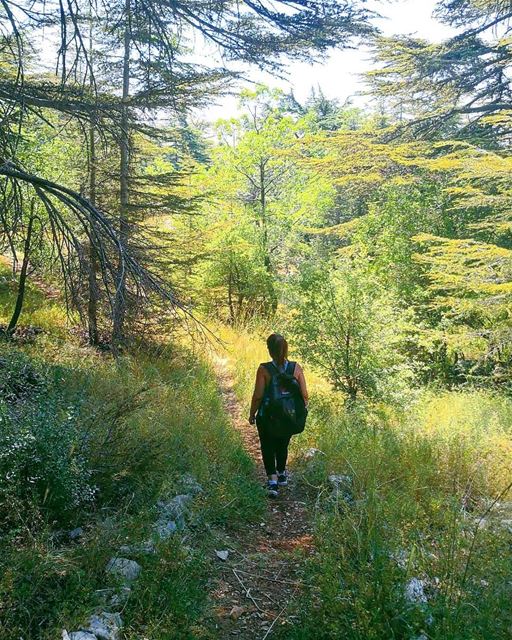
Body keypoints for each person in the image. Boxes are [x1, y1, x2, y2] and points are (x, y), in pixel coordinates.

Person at [249, 333, 308, 497]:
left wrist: (252, 414)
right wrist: (301, 411)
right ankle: (282, 473)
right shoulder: (296, 368)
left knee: (267, 445)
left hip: (268, 417)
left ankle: (272, 481)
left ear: (269, 350)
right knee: (283, 443)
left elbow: (258, 396)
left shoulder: (264, 369)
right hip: (289, 416)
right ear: (285, 348)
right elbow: (304, 395)